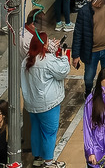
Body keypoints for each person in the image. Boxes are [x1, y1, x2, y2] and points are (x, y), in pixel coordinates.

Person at [20, 30, 71, 168]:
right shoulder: (47, 61)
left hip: (31, 103)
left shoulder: (26, 61)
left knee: (36, 129)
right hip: (48, 104)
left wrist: (49, 50)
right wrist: (62, 56)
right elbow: (63, 71)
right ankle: (49, 162)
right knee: (49, 132)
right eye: (48, 42)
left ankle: (38, 157)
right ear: (43, 46)